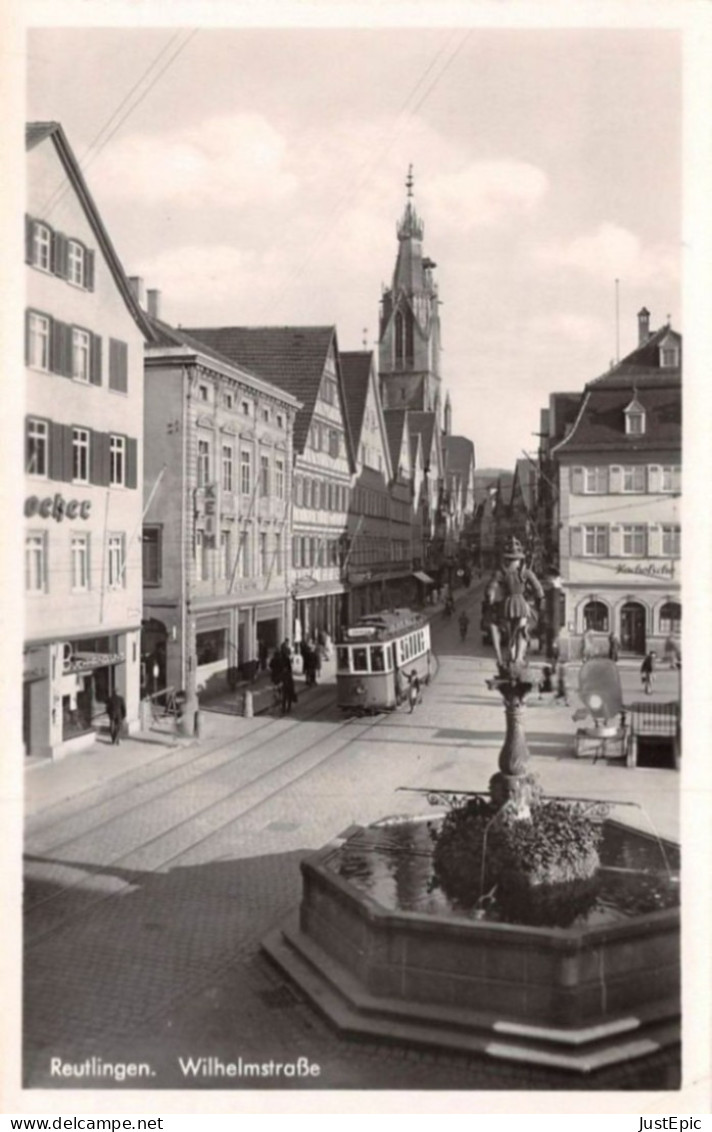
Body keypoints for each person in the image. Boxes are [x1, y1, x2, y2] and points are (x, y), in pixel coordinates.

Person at [486, 537, 544, 669]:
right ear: (520, 559)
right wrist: (540, 599)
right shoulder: (526, 573)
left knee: (509, 633)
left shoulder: (502, 572)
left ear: (506, 559)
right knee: (522, 631)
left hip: (507, 606)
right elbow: (538, 589)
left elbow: (492, 587)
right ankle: (518, 658)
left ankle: (511, 656)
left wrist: (490, 596)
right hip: (521, 605)